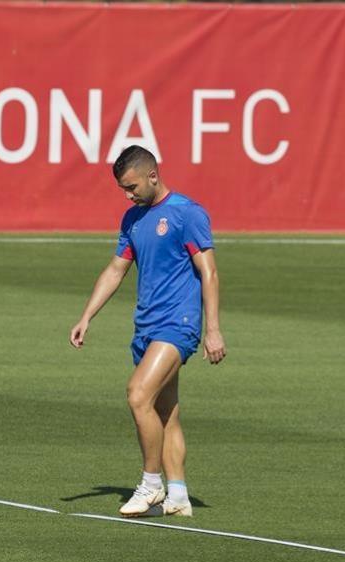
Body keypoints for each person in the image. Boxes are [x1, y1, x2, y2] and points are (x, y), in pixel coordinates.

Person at [69, 146, 226, 518]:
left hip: (179, 325)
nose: (128, 194)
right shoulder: (132, 219)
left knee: (138, 394)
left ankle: (151, 484)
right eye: (123, 188)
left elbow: (210, 272)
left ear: (153, 175)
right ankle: (178, 495)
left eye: (133, 186)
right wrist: (87, 315)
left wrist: (213, 330)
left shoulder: (186, 214)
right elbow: (115, 270)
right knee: (164, 411)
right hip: (147, 328)